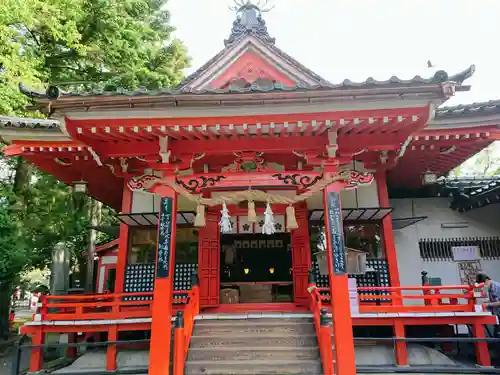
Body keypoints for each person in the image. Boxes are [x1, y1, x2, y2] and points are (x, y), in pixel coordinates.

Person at [476, 272, 500, 337]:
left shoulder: (498, 287)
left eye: (483, 286)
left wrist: (488, 304)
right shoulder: (487, 286)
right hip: (497, 314)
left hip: (498, 313)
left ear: (487, 281)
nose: (483, 288)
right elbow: (478, 293)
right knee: (497, 335)